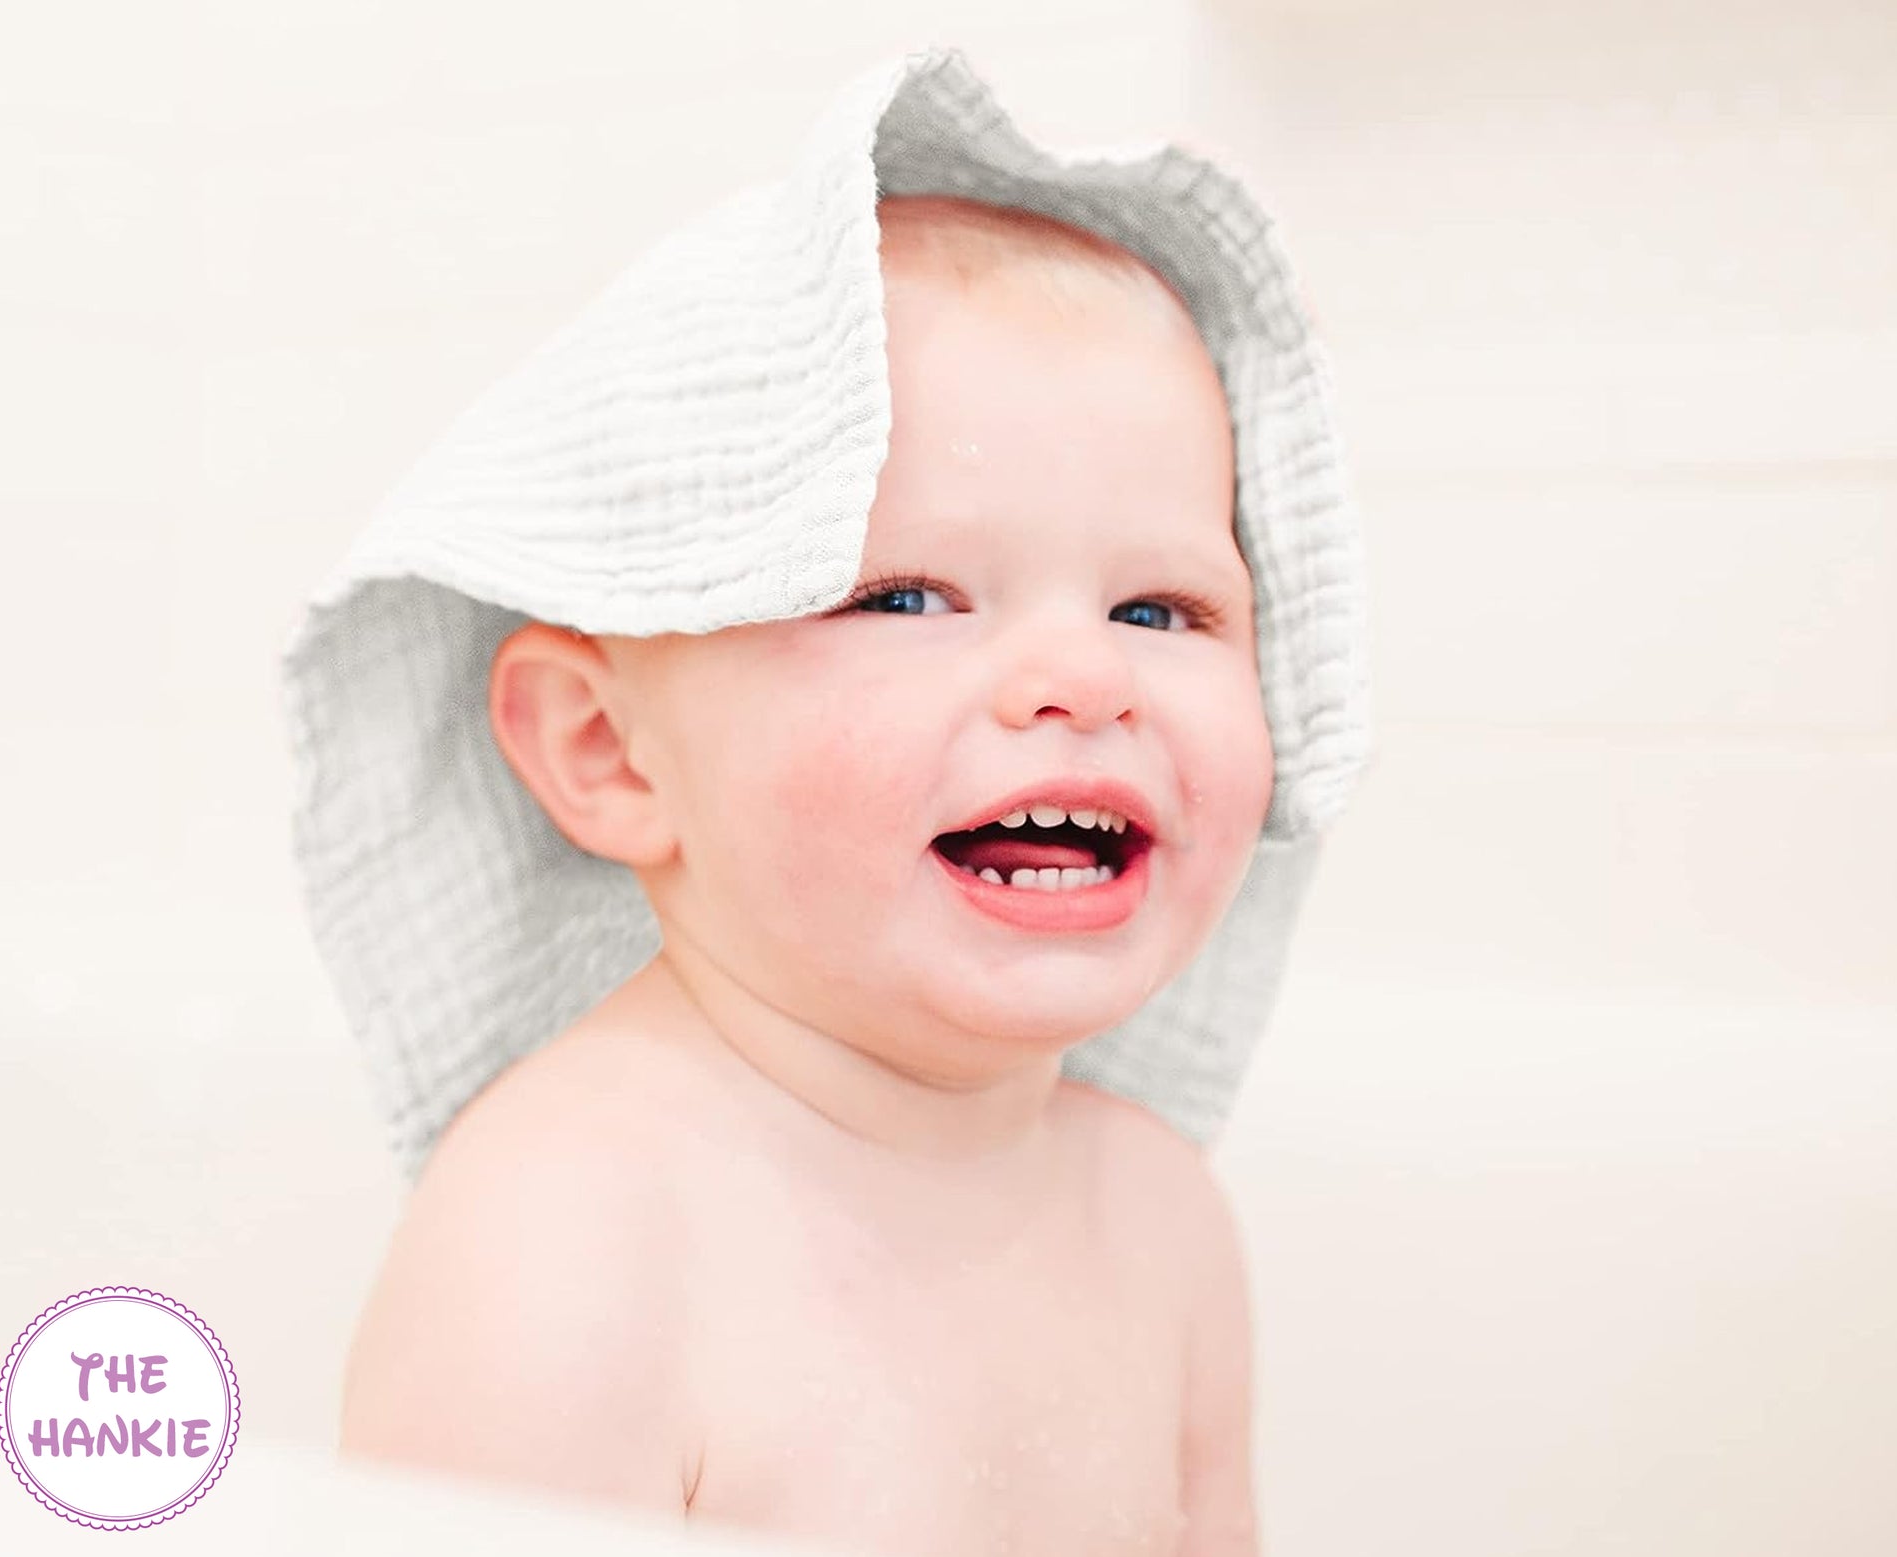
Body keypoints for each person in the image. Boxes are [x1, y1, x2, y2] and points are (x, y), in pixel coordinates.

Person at [283, 45, 1371, 1557]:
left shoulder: (1161, 1220)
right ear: (608, 752)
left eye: (1160, 610)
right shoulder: (574, 1238)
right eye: (909, 594)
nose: (1080, 680)